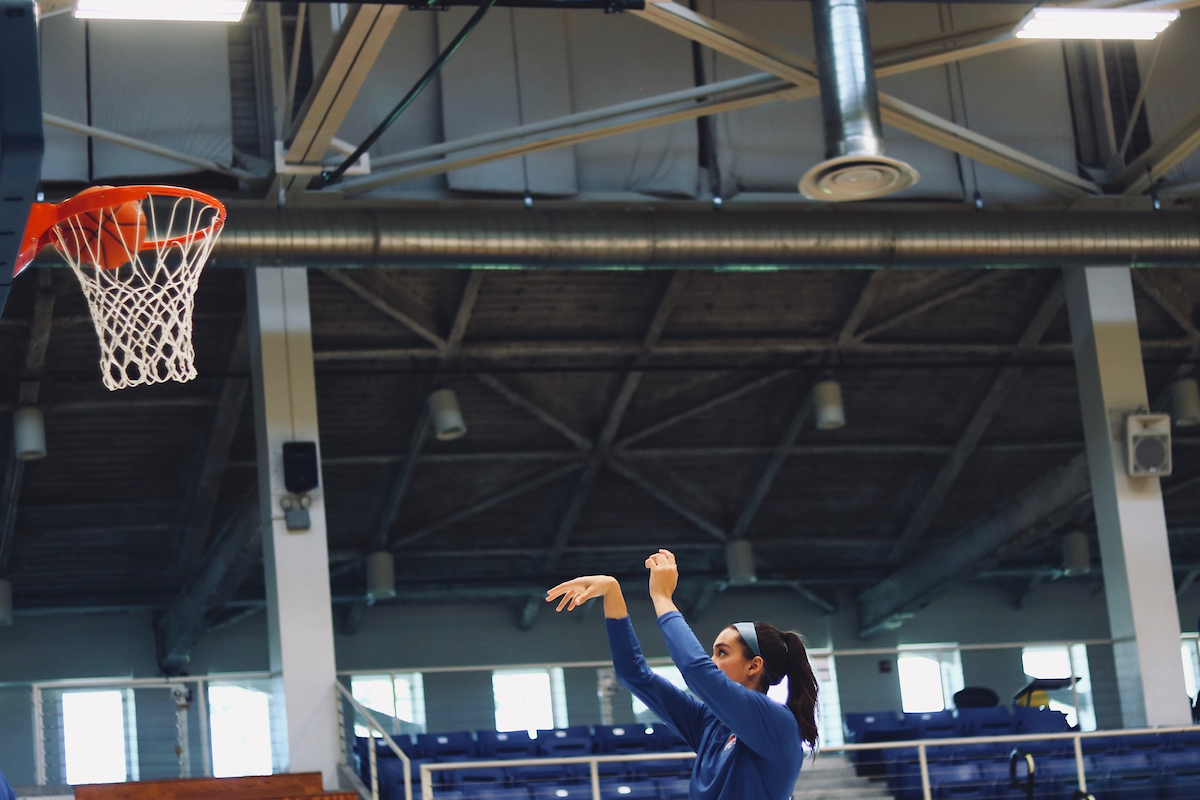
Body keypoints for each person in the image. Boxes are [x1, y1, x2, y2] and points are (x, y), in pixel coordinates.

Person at [546, 549, 818, 800]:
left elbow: (695, 669)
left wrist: (663, 597)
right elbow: (634, 673)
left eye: (722, 653)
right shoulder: (710, 722)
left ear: (754, 665)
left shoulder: (777, 722)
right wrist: (612, 594)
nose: (712, 661)